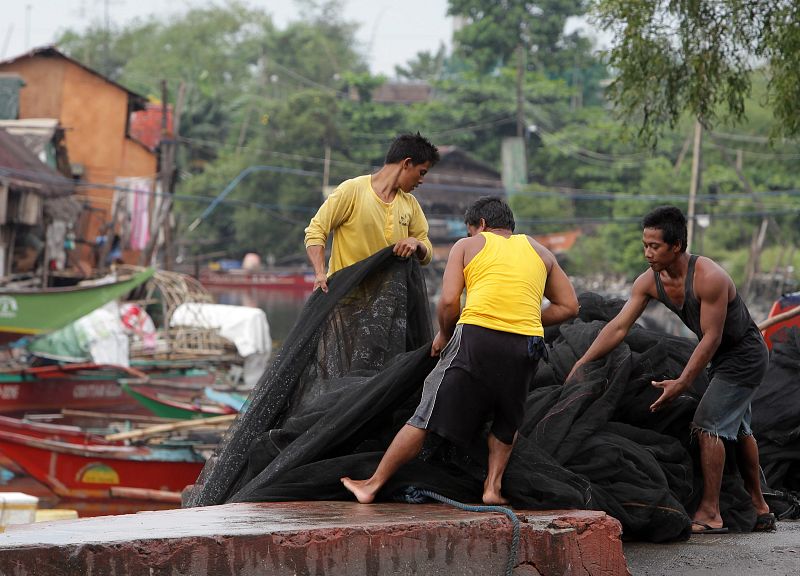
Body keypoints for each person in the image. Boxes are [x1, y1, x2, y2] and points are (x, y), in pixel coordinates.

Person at [341, 196, 579, 505]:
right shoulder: (540, 251)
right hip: (527, 344)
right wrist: (525, 319)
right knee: (507, 419)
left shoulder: (467, 246)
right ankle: (492, 489)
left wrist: (443, 334)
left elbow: (449, 301)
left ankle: (372, 485)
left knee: (425, 415)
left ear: (481, 225)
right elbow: (569, 306)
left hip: (477, 338)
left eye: (470, 230)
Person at [567, 205, 775, 534]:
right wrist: (583, 361)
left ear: (676, 246)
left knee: (708, 425)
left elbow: (711, 338)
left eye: (655, 246)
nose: (647, 253)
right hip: (720, 357)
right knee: (739, 429)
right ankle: (759, 506)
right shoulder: (650, 281)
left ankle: (711, 513)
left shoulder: (710, 278)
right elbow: (619, 327)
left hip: (744, 355)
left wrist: (682, 381)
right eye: (645, 245)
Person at [304, 133, 440, 293]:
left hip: (388, 300)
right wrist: (320, 273)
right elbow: (316, 230)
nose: (421, 180)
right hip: (347, 297)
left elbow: (426, 247)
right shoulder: (352, 190)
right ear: (407, 163)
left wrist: (416, 244)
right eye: (422, 172)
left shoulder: (410, 204)